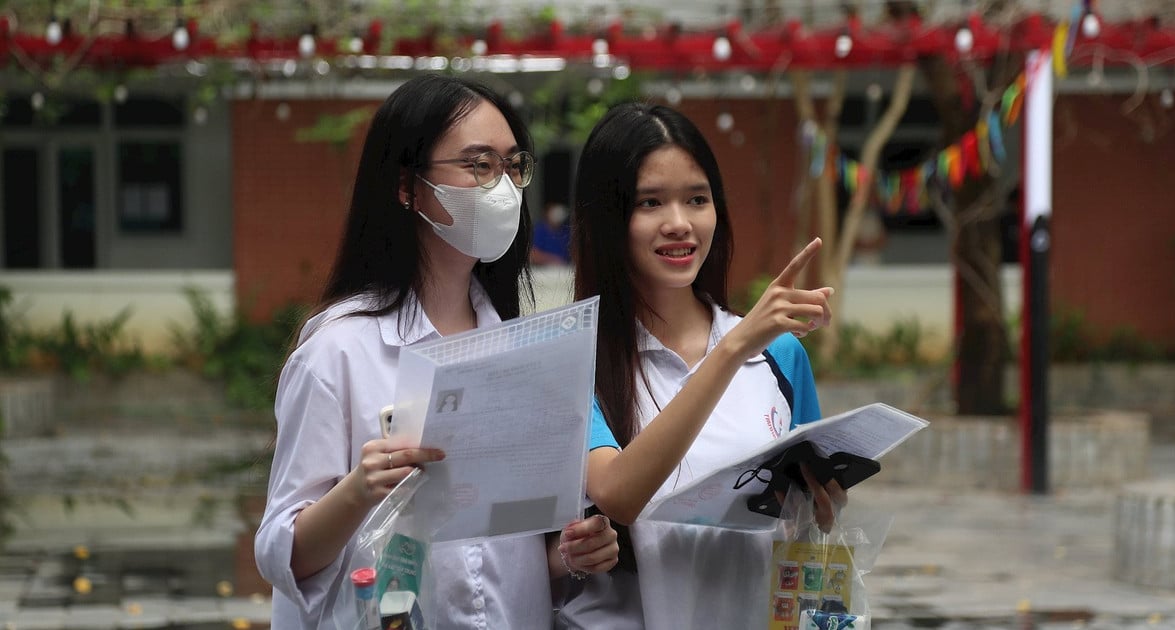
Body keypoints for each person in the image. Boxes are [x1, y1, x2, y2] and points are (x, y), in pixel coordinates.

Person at [254, 75, 618, 629]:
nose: (503, 187)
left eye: (512, 165)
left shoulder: (524, 351)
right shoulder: (339, 351)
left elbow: (501, 562)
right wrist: (358, 489)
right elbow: (283, 553)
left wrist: (570, 556)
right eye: (478, 165)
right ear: (408, 186)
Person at [557, 103, 844, 629]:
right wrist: (733, 348)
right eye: (650, 202)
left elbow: (807, 527)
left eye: (697, 199)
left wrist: (820, 506)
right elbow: (618, 493)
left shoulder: (781, 355)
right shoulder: (576, 363)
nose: (679, 224)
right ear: (607, 217)